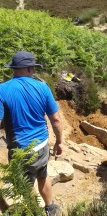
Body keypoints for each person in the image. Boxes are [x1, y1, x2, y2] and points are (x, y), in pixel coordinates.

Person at [0, 51, 63, 216]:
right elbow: (55, 119)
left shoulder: (2, 90)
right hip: (42, 145)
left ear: (14, 69)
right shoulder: (42, 86)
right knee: (43, 175)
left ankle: (35, 212)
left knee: (25, 185)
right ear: (29, 68)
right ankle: (50, 208)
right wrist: (59, 142)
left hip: (20, 150)